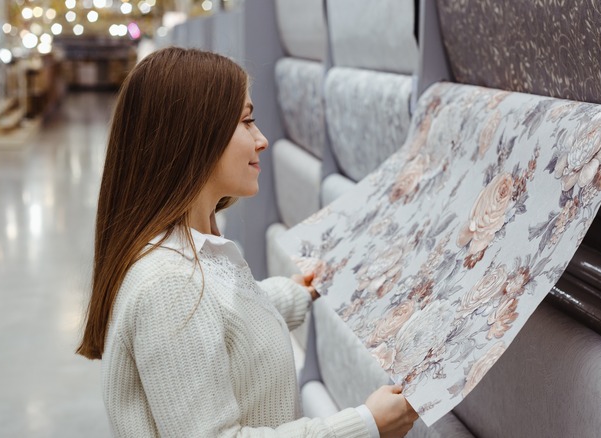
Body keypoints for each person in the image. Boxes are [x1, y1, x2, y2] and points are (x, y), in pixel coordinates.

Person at [76, 47, 418, 438]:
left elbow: (219, 321)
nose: (262, 140)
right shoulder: (169, 285)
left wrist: (298, 291)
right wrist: (365, 424)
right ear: (194, 136)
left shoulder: (193, 250)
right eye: (247, 122)